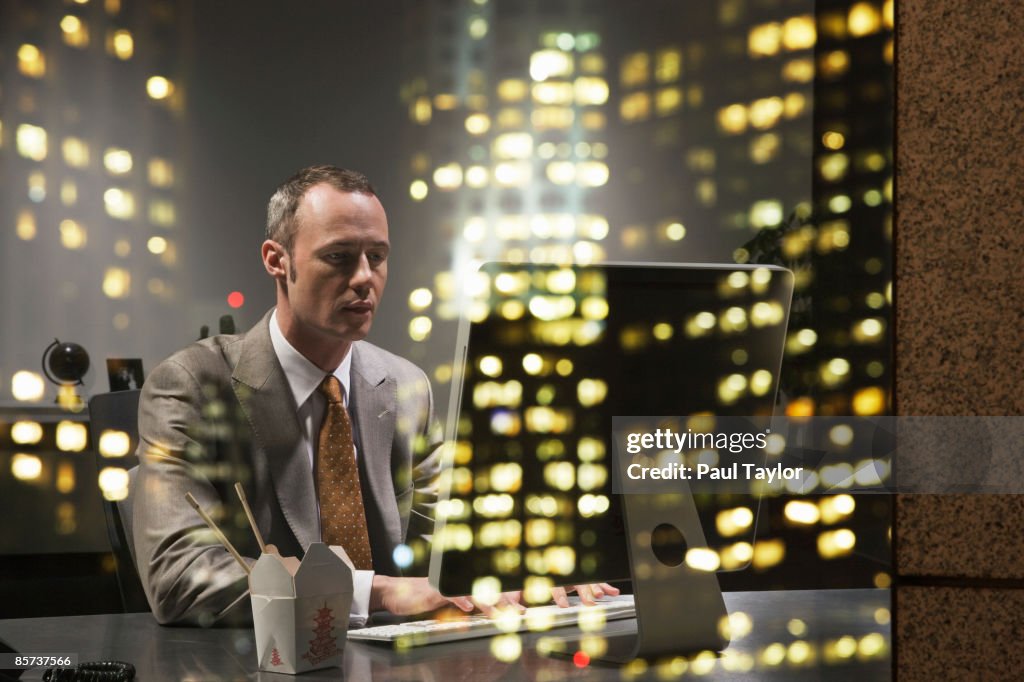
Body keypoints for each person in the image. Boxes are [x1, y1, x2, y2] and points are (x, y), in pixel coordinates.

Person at [130, 164, 615, 627]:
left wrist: (531, 571)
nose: (365, 277)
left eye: (377, 258)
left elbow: (449, 544)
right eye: (339, 257)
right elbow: (180, 576)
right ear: (277, 260)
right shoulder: (192, 383)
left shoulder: (406, 387)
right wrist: (377, 591)